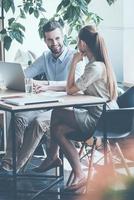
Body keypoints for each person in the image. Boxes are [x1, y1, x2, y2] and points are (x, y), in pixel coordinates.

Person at [33, 25, 118, 191]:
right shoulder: (99, 65)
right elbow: (74, 88)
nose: (76, 44)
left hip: (99, 119)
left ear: (83, 44)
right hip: (105, 115)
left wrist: (73, 62)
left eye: (78, 41)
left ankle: (54, 157)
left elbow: (70, 89)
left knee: (57, 111)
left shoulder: (94, 67)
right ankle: (72, 170)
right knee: (57, 129)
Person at [0, 20, 83, 173]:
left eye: (57, 38)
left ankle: (15, 168)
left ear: (62, 36)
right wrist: (19, 79)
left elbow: (74, 84)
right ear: (45, 40)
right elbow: (26, 74)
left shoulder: (75, 57)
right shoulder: (45, 56)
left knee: (39, 122)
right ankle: (7, 164)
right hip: (45, 103)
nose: (54, 43)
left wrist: (46, 85)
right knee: (19, 117)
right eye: (50, 40)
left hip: (66, 109)